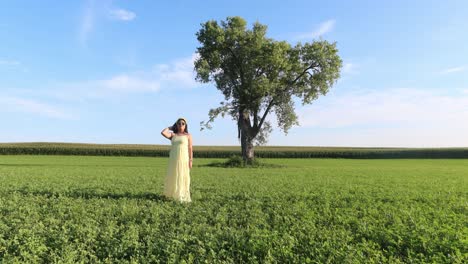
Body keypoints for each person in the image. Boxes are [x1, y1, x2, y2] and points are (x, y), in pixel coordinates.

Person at [161, 117, 193, 202]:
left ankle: (181, 195)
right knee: (173, 175)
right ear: (176, 125)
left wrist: (190, 160)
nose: (181, 125)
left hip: (183, 159)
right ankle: (172, 194)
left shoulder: (188, 135)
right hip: (174, 159)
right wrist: (170, 128)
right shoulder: (173, 135)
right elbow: (163, 132)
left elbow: (190, 148)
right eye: (179, 123)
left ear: (185, 125)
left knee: (182, 175)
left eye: (183, 123)